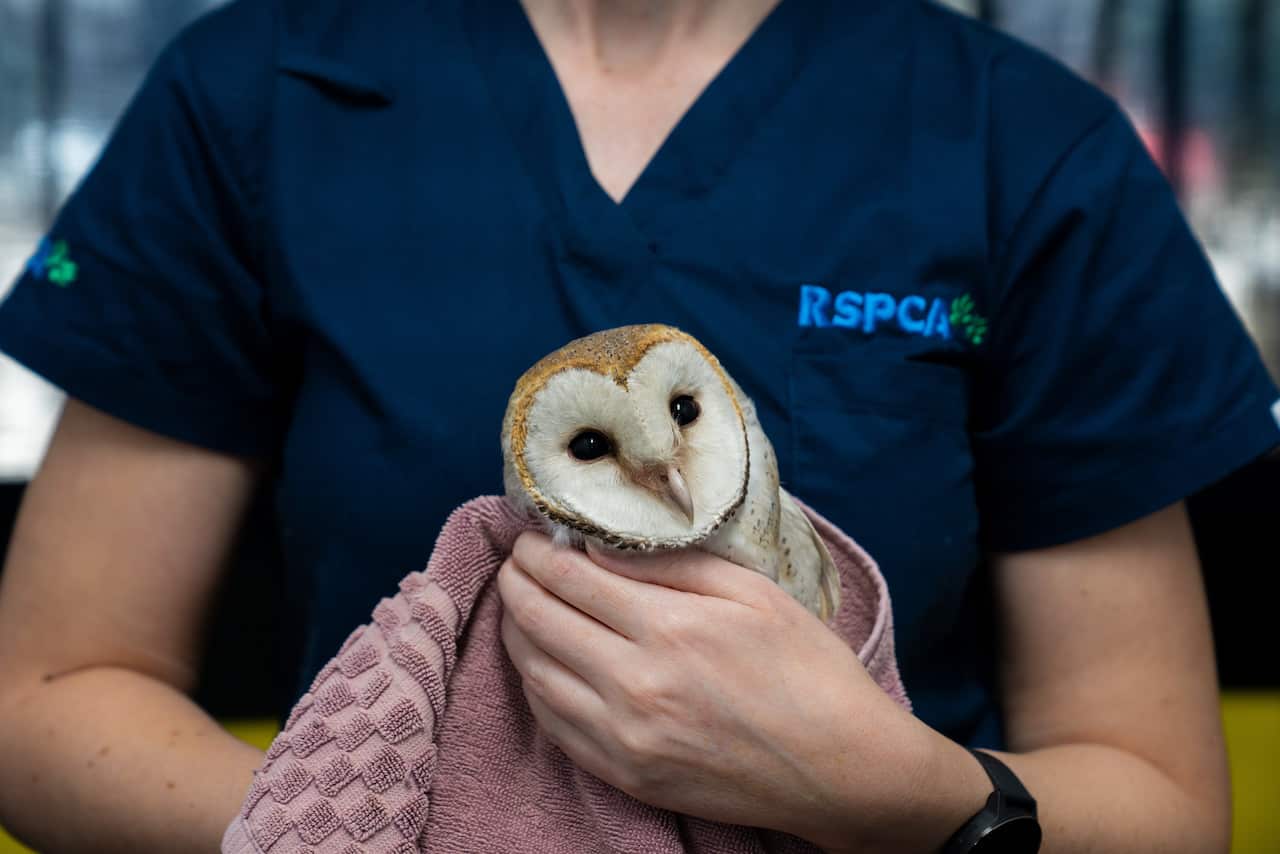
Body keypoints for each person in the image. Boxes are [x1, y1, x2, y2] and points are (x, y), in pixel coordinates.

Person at [0, 0, 1276, 851]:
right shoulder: (259, 91)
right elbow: (44, 697)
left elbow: (1160, 794)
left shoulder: (1017, 138)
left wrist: (892, 789)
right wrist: (376, 825)